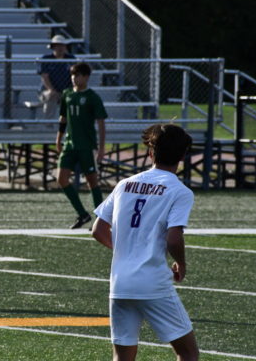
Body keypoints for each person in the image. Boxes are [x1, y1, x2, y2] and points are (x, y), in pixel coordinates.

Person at [92, 123, 199, 361]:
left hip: (120, 283)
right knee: (188, 352)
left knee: (122, 357)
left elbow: (98, 230)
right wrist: (181, 263)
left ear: (151, 153)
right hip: (152, 283)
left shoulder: (124, 185)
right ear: (183, 155)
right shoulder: (180, 191)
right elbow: (174, 237)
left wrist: (126, 251)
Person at [56, 62, 108, 229]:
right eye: (72, 75)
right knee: (61, 178)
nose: (74, 78)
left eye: (77, 75)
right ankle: (82, 214)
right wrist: (59, 138)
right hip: (70, 144)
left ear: (86, 77)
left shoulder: (93, 97)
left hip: (87, 145)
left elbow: (101, 123)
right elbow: (63, 118)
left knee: (92, 181)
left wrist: (101, 148)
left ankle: (102, 219)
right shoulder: (67, 94)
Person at [37, 34, 76, 119]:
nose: (60, 48)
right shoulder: (47, 59)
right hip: (47, 90)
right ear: (53, 47)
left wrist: (73, 90)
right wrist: (51, 89)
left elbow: (75, 75)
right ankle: (48, 124)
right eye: (57, 45)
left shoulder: (71, 59)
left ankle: (72, 124)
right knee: (51, 96)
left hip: (66, 91)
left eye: (62, 45)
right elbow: (44, 77)